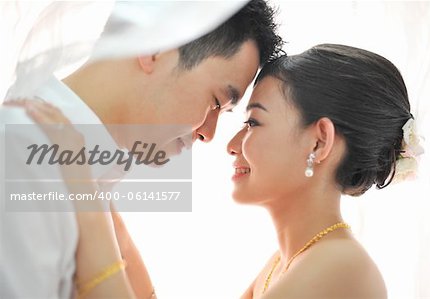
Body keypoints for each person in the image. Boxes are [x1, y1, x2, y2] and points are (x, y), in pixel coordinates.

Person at [20, 43, 420, 298]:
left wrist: (91, 221)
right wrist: (104, 210)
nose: (229, 144)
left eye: (254, 122)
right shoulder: (291, 261)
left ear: (319, 141)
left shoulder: (338, 269)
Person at [0, 1, 283, 298]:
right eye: (215, 102)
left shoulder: (86, 174)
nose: (208, 135)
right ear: (155, 47)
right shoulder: (22, 152)